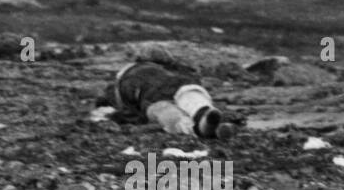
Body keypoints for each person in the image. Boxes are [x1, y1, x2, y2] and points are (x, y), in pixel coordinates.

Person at [95, 46, 239, 139]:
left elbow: (108, 103)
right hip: (178, 86)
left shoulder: (124, 77)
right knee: (192, 97)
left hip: (151, 99)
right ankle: (206, 118)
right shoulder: (174, 71)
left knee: (167, 112)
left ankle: (197, 128)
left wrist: (116, 115)